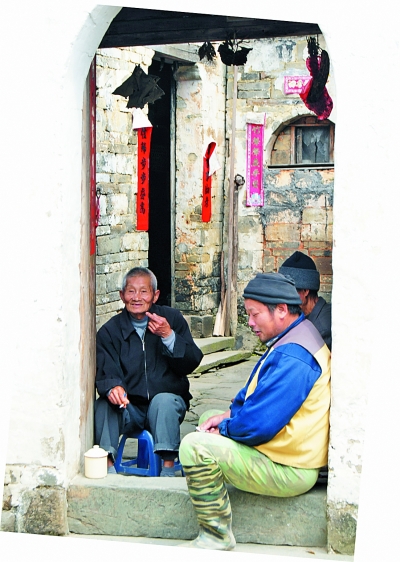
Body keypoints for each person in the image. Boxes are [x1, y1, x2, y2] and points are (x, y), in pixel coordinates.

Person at [179, 273, 331, 550]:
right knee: (208, 418)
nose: (249, 322)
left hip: (290, 468)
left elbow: (259, 425)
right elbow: (257, 396)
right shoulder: (297, 333)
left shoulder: (293, 355)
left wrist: (225, 428)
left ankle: (215, 536)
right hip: (285, 451)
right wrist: (226, 417)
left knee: (194, 446)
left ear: (281, 310)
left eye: (254, 314)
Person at [95, 267, 203, 476]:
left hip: (166, 406)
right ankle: (107, 466)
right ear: (122, 296)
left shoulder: (172, 319)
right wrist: (113, 387)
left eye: (144, 291)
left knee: (163, 401)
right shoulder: (110, 331)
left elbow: (192, 361)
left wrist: (169, 336)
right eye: (131, 291)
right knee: (103, 405)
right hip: (130, 408)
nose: (137, 297)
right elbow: (106, 368)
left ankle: (167, 468)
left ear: (155, 295)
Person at [279, 251, 332, 350]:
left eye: (289, 291)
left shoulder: (320, 329)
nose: (284, 297)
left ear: (305, 291)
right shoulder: (300, 315)